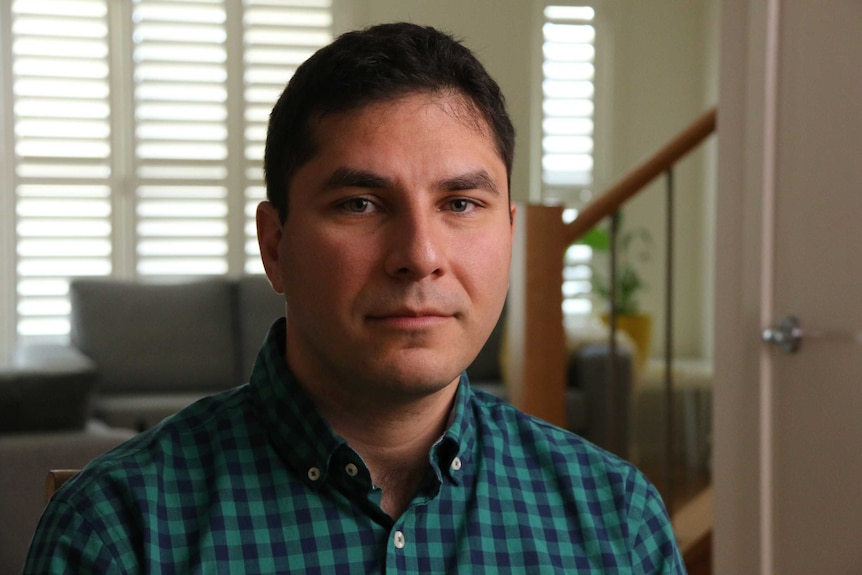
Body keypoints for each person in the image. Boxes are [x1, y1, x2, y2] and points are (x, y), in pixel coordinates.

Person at [25, 22, 685, 573]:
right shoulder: (120, 530)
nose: (420, 254)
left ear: (509, 236)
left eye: (460, 202)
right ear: (276, 243)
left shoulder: (616, 520)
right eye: (362, 203)